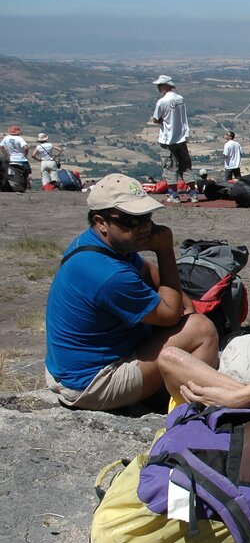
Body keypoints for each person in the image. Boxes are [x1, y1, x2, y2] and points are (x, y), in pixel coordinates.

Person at [44, 174, 218, 411]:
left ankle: (167, 389)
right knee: (202, 330)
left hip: (74, 370)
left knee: (191, 320)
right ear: (101, 222)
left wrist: (184, 308)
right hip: (91, 384)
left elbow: (146, 271)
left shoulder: (99, 245)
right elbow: (170, 314)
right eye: (130, 220)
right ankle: (188, 411)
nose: (144, 227)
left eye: (146, 217)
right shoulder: (108, 274)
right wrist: (165, 249)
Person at [150, 75, 198, 204]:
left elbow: (156, 119)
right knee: (186, 166)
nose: (158, 87)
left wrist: (161, 121)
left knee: (170, 167)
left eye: (160, 85)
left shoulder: (162, 102)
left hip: (168, 140)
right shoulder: (180, 99)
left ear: (165, 85)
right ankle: (193, 194)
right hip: (181, 137)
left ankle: (174, 195)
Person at [1, 126, 31, 191]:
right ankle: (28, 185)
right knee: (26, 172)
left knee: (11, 173)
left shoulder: (6, 138)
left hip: (12, 158)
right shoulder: (19, 139)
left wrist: (7, 154)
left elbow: (1, 146)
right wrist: (25, 154)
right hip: (21, 159)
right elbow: (26, 147)